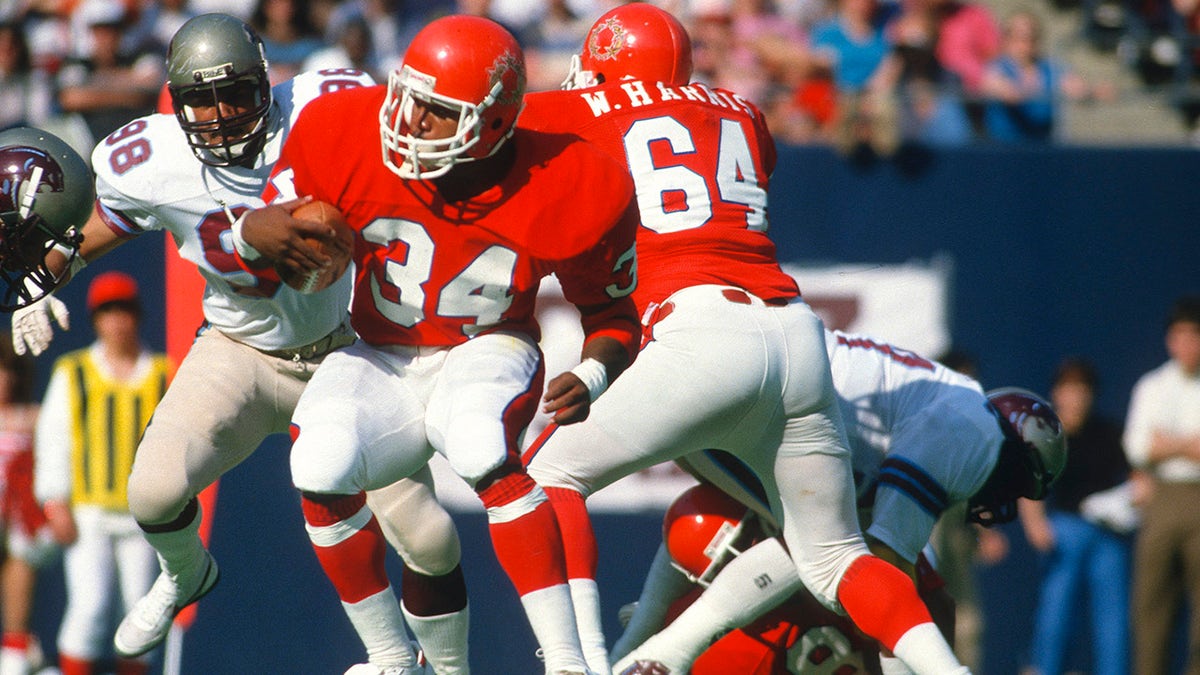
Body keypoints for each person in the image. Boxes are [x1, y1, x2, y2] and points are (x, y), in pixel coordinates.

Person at [8, 15, 470, 673]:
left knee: (429, 537)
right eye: (201, 98)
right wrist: (45, 280)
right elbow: (98, 226)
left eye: (237, 94)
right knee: (153, 493)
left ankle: (438, 663)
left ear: (268, 83)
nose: (221, 114)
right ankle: (184, 575)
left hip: (349, 351)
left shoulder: (325, 106)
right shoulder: (150, 156)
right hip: (240, 352)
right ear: (176, 99)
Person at [518, 5, 970, 674]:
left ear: (608, 69)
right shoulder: (740, 110)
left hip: (699, 328)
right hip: (794, 333)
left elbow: (517, 127)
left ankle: (576, 662)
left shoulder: (590, 109)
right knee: (835, 557)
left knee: (548, 473)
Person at [235, 13, 641, 675]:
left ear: (492, 123)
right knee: (318, 464)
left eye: (437, 111)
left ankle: (567, 659)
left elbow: (613, 313)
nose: (409, 120)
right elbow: (260, 248)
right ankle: (393, 657)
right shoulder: (342, 129)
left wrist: (595, 374)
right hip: (385, 351)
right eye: (409, 96)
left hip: (490, 345)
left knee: (480, 440)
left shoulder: (571, 178)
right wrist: (258, 228)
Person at [604, 329, 1069, 674]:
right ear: (1012, 458)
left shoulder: (955, 405)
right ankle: (664, 652)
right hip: (758, 401)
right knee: (844, 548)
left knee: (814, 532)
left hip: (725, 388)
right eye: (1016, 485)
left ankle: (637, 645)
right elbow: (885, 569)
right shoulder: (972, 433)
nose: (1006, 501)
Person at [33, 271, 172, 675]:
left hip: (145, 519)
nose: (117, 321)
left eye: (124, 311)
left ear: (137, 316)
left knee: (142, 615)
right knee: (89, 607)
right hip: (88, 513)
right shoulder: (73, 371)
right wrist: (55, 500)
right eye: (108, 312)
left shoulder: (164, 374)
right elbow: (54, 438)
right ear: (96, 320)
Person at [1016, 357, 1132, 675]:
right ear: (1057, 394)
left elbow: (1139, 479)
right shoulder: (1046, 435)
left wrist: (1125, 502)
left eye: (1082, 390)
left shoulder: (1109, 432)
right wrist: (1035, 524)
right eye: (1069, 390)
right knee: (1055, 616)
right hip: (1065, 531)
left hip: (1108, 535)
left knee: (1113, 621)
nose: (1076, 397)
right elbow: (1031, 483)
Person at [1124, 294, 1200, 675]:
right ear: (1170, 340)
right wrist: (1189, 444)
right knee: (1152, 605)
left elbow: (1153, 444)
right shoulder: (1152, 386)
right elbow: (1139, 446)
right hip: (1162, 498)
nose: (1187, 345)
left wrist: (1165, 443)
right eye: (1180, 336)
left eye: (1195, 335)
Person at [979, 10, 1115, 143]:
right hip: (1005, 150)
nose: (1026, 43)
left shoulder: (1051, 68)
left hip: (1043, 150)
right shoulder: (997, 67)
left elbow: (1075, 88)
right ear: (1006, 38)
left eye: (1032, 37)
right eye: (1020, 37)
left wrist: (1092, 92)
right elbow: (1001, 89)